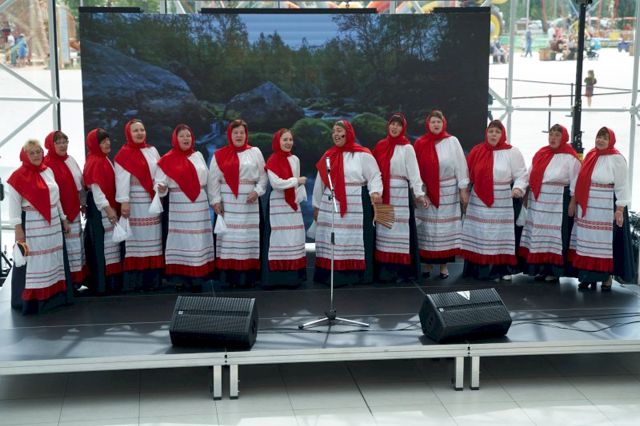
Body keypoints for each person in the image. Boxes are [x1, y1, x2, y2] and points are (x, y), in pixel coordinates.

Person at [312, 119, 383, 286]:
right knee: (334, 239)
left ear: (349, 133)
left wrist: (375, 192)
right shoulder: (328, 156)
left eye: (339, 131)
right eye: (334, 131)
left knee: (354, 239)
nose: (336, 134)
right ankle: (332, 275)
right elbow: (320, 181)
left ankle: (356, 275)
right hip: (331, 204)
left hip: (355, 202)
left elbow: (374, 175)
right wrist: (316, 206)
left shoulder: (362, 154)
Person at [7, 139, 71, 314]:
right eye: (32, 153)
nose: (36, 155)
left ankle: (55, 297)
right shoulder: (17, 176)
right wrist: (18, 229)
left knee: (53, 259)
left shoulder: (48, 171)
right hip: (33, 222)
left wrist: (63, 218)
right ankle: (35, 301)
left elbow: (56, 198)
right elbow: (14, 206)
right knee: (35, 261)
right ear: (25, 155)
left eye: (38, 152)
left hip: (53, 223)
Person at [461, 120, 528, 280]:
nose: (493, 134)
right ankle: (479, 270)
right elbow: (466, 173)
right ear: (486, 133)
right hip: (478, 199)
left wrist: (518, 188)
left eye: (497, 132)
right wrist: (464, 191)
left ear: (502, 134)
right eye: (491, 131)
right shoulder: (477, 151)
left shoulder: (512, 152)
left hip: (502, 199)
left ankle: (501, 269)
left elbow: (521, 174)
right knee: (480, 233)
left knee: (499, 235)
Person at [569, 127, 635, 291]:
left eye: (605, 138)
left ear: (611, 140)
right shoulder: (591, 155)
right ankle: (587, 276)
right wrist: (574, 201)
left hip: (605, 204)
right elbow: (580, 179)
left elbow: (622, 185)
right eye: (599, 137)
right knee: (586, 241)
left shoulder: (617, 159)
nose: (600, 140)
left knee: (603, 243)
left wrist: (619, 209)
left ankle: (606, 277)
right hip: (587, 205)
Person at [208, 119, 267, 287]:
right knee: (229, 240)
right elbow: (213, 180)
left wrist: (257, 191)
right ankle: (229, 278)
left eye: (242, 132)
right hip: (228, 204)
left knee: (248, 238)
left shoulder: (255, 152)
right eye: (235, 133)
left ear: (246, 135)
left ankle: (248, 278)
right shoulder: (219, 154)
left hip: (249, 203)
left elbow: (263, 176)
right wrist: (215, 201)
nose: (239, 136)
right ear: (230, 135)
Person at [156, 124, 215, 291]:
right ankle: (181, 278)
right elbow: (160, 182)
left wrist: (214, 200)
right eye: (182, 136)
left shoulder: (198, 156)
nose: (185, 138)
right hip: (180, 205)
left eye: (188, 135)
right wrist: (161, 188)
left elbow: (208, 179)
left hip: (200, 204)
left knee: (199, 240)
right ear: (175, 139)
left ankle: (198, 277)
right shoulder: (167, 159)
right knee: (182, 240)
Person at [518, 124, 581, 281]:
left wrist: (573, 201)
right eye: (551, 134)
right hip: (538, 200)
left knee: (554, 236)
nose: (553, 138)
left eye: (557, 135)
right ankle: (540, 268)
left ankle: (553, 271)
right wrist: (525, 194)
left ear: (564, 137)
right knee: (538, 234)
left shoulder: (570, 157)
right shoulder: (541, 153)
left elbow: (576, 181)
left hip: (557, 200)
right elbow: (530, 174)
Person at [414, 110, 469, 280]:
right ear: (428, 124)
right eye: (433, 122)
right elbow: (415, 169)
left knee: (445, 230)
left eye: (438, 121)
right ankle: (428, 264)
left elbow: (461, 165)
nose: (436, 124)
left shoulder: (452, 141)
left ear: (443, 123)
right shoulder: (420, 143)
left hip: (448, 191)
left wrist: (463, 189)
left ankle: (444, 266)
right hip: (427, 191)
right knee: (427, 229)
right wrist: (418, 192)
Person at [372, 113, 424, 283]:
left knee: (399, 232)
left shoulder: (407, 148)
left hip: (400, 193)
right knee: (384, 230)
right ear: (388, 126)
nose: (395, 127)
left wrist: (419, 193)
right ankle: (385, 271)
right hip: (383, 192)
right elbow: (373, 170)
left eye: (398, 125)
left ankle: (400, 272)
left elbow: (414, 173)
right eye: (393, 124)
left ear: (403, 128)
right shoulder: (380, 145)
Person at [114, 118, 163, 291]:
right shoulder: (123, 154)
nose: (140, 133)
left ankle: (153, 280)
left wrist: (160, 186)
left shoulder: (152, 150)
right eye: (135, 130)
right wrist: (124, 202)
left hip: (151, 201)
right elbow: (121, 180)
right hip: (134, 202)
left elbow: (160, 172)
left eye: (142, 130)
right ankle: (136, 282)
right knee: (135, 240)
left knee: (153, 238)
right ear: (128, 133)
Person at [262, 128, 307, 287]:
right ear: (278, 141)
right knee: (279, 238)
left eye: (290, 140)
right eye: (285, 140)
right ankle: (277, 278)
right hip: (278, 203)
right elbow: (276, 183)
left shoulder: (295, 159)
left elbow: (295, 182)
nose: (288, 143)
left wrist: (299, 190)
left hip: (292, 203)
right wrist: (296, 181)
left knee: (294, 237)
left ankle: (293, 277)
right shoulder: (272, 160)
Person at [44, 130, 88, 290]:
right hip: (58, 213)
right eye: (58, 143)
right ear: (51, 145)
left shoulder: (71, 160)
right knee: (65, 247)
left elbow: (80, 183)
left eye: (65, 142)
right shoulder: (46, 164)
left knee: (76, 245)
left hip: (74, 210)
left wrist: (83, 203)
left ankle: (77, 280)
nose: (63, 145)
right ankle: (66, 281)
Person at [83, 128, 122, 294]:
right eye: (103, 141)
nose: (107, 143)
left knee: (111, 246)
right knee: (103, 247)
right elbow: (97, 191)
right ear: (95, 144)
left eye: (107, 140)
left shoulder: (104, 159)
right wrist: (109, 209)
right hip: (101, 210)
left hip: (106, 208)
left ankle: (111, 283)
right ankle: (102, 284)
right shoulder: (95, 162)